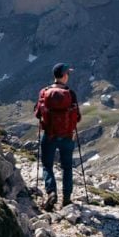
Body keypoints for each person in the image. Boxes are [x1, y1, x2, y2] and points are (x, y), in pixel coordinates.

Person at [34, 62, 81, 210]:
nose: (68, 76)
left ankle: (51, 192)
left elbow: (38, 114)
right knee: (67, 167)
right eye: (68, 73)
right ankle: (66, 199)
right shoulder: (70, 93)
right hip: (67, 136)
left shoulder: (44, 92)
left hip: (49, 136)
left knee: (47, 165)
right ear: (64, 75)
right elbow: (78, 116)